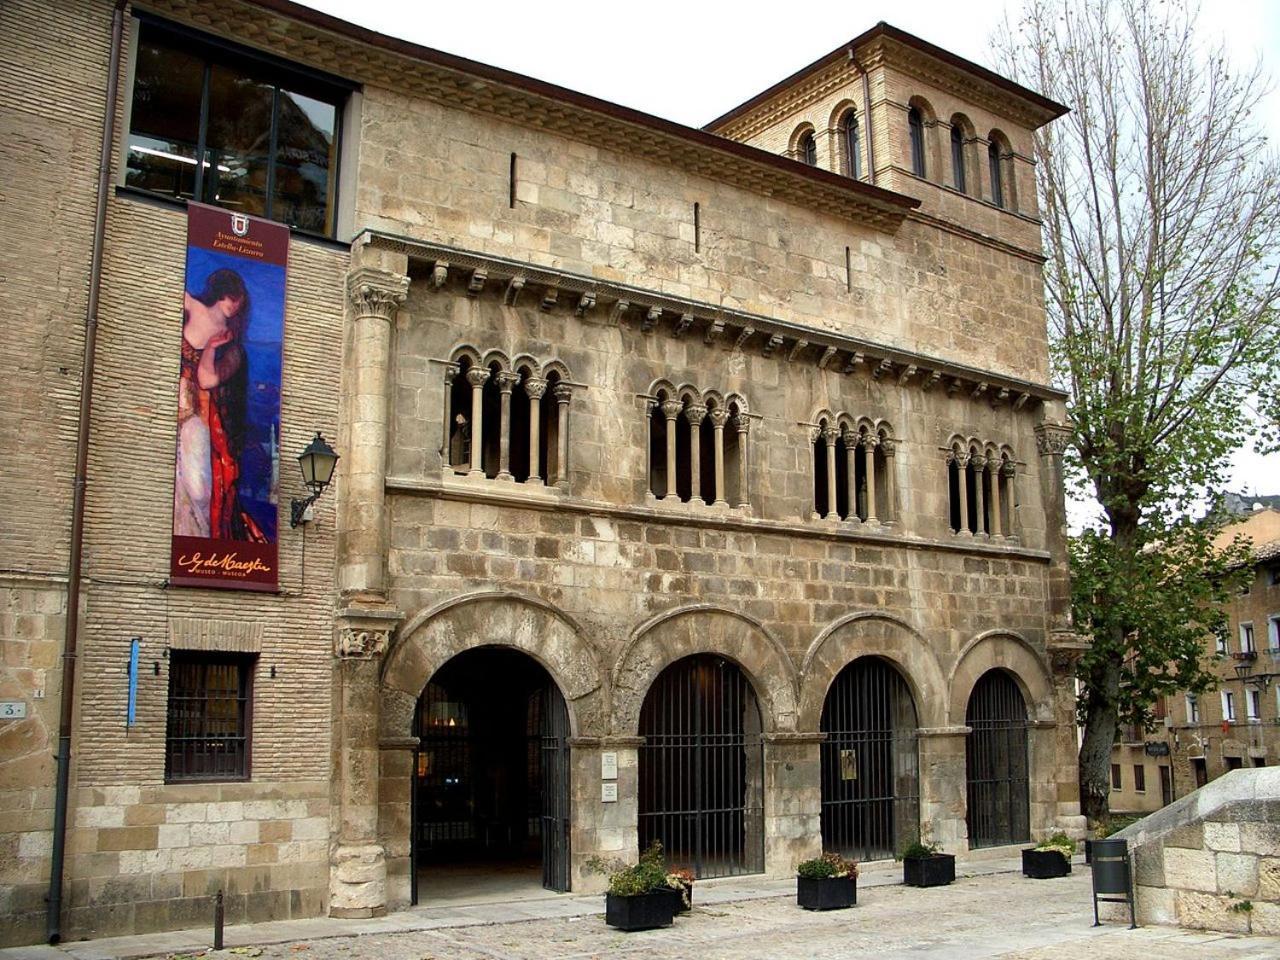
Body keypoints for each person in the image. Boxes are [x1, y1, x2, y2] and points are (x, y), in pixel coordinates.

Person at [173, 268, 265, 542]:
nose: (233, 303)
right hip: (172, 399)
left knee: (199, 485)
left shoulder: (232, 346)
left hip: (200, 410)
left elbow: (207, 379)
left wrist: (212, 348)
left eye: (239, 299)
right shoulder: (192, 306)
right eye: (230, 295)